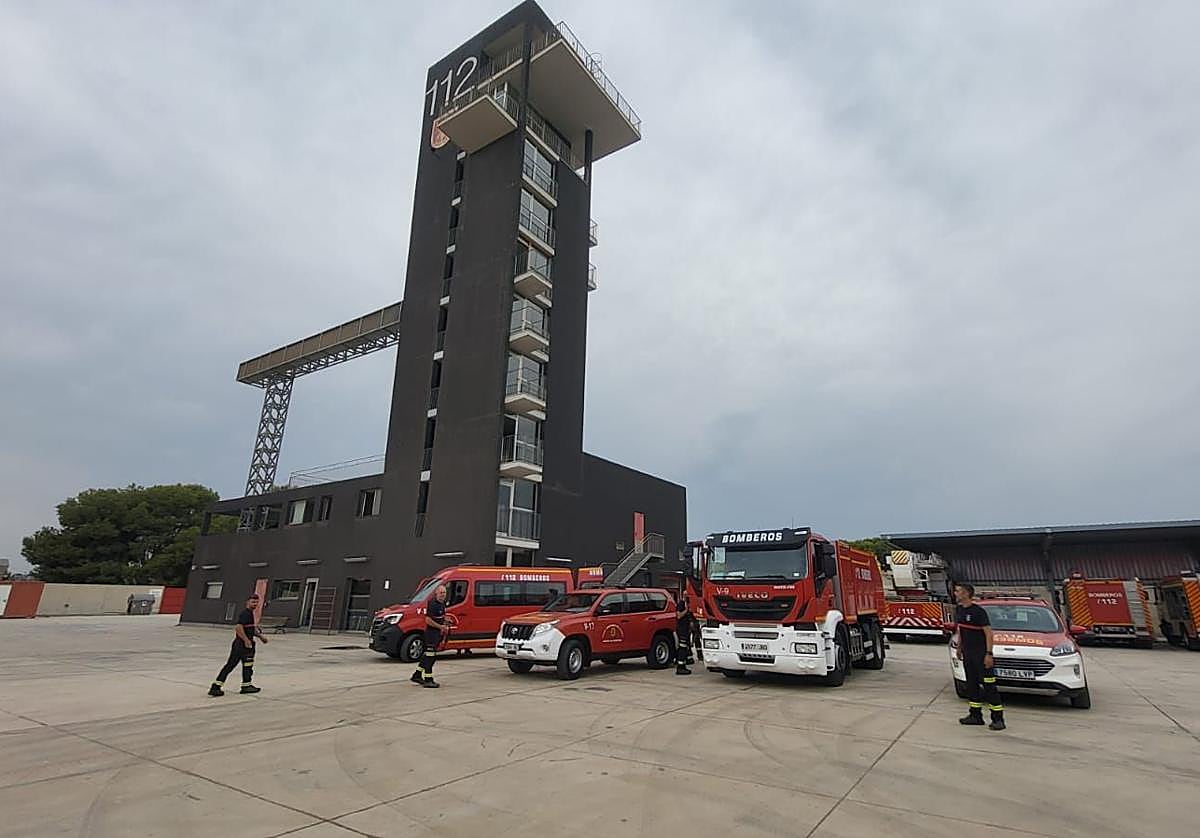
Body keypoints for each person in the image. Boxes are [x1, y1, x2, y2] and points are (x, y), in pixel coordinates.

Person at [953, 582, 1005, 730]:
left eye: (958, 591)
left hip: (980, 655)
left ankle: (998, 719)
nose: (955, 593)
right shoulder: (959, 610)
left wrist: (989, 654)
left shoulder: (978, 612)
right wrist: (959, 647)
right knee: (972, 685)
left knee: (989, 686)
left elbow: (988, 633)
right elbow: (961, 629)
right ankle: (975, 715)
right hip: (968, 654)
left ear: (966, 593)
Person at [209, 592, 267, 696]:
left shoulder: (250, 614)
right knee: (240, 665)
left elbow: (250, 628)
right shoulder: (246, 613)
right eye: (253, 602)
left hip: (241, 645)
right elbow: (238, 627)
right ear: (247, 602)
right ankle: (218, 687)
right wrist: (246, 640)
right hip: (242, 645)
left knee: (241, 665)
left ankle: (242, 686)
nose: (255, 604)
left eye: (256, 602)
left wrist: (260, 637)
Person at [411, 584, 449, 688]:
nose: (443, 595)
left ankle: (417, 675)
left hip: (436, 634)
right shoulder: (433, 604)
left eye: (444, 593)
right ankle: (428, 679)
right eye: (441, 593)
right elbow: (428, 620)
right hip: (431, 634)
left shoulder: (442, 604)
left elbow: (439, 616)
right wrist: (441, 627)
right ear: (436, 593)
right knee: (430, 658)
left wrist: (445, 620)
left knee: (427, 656)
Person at [674, 592, 693, 675]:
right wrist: (686, 610)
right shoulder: (681, 604)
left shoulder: (688, 604)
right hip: (681, 629)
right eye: (686, 595)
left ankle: (684, 663)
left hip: (686, 629)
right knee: (682, 647)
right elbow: (679, 616)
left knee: (685, 647)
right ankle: (680, 667)